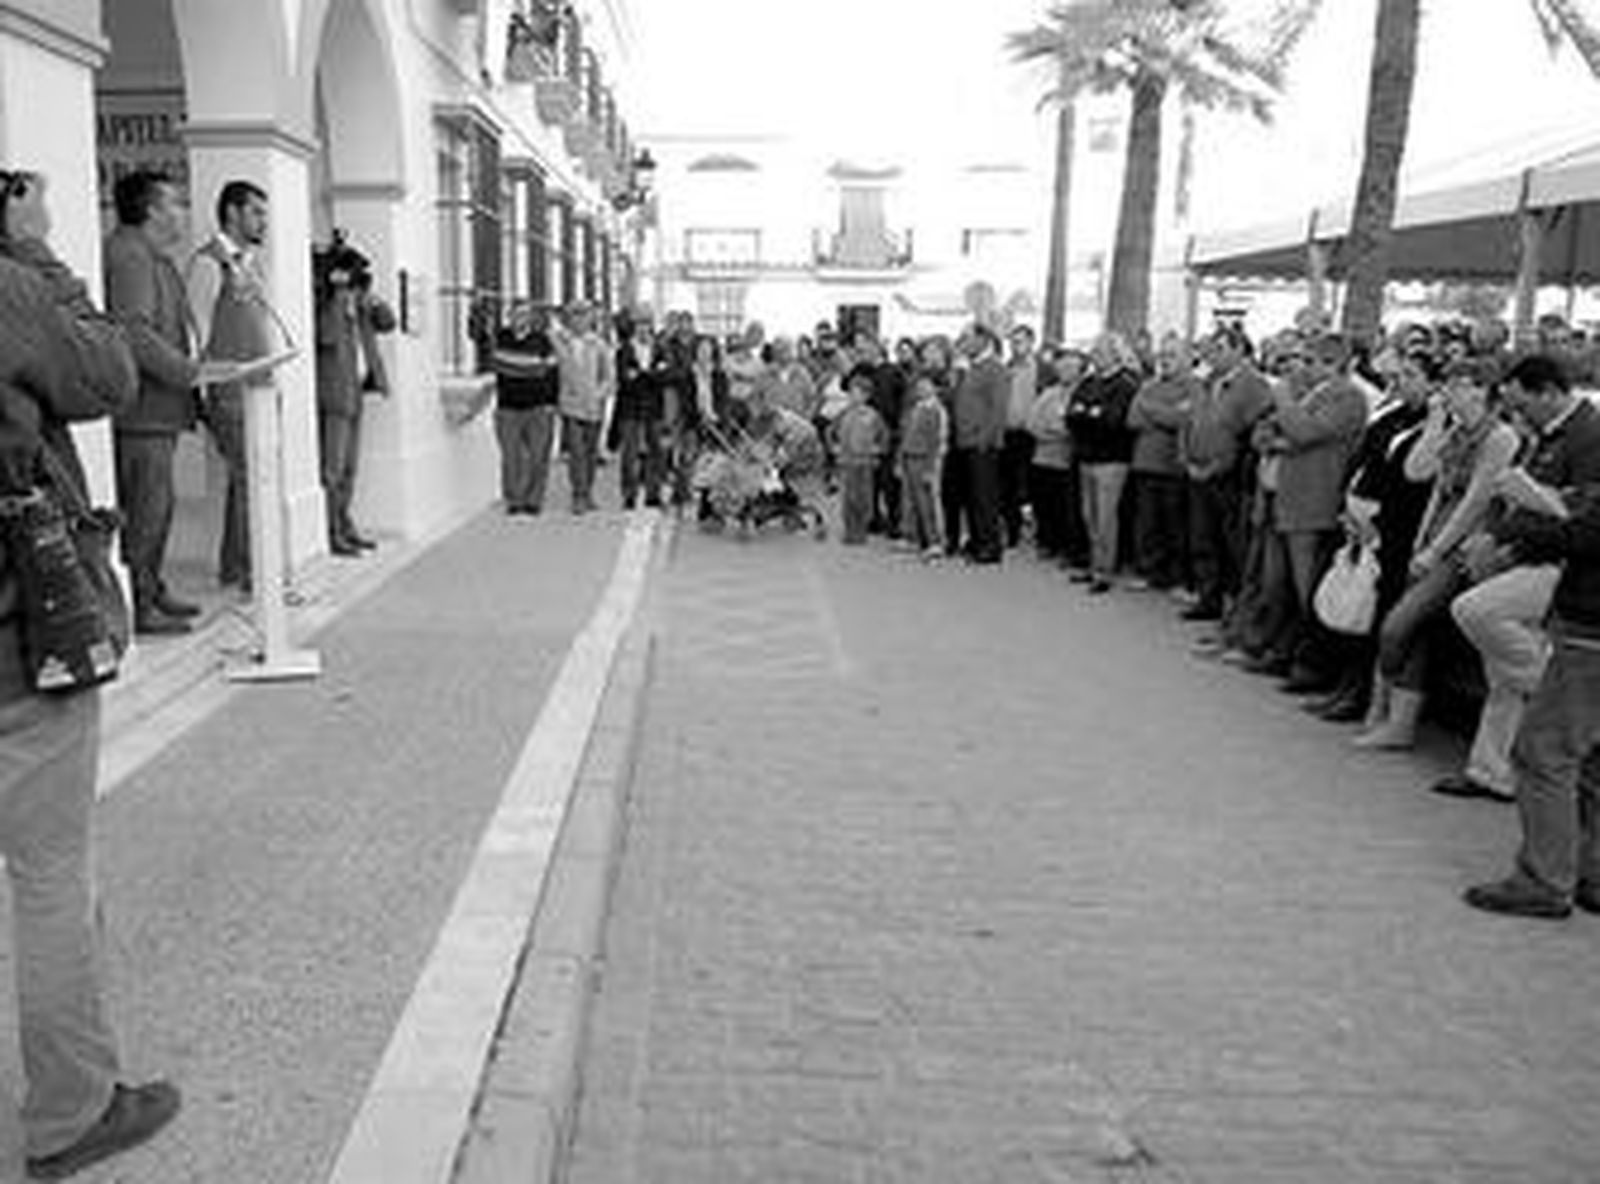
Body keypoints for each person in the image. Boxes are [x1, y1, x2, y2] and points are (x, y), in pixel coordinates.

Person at [0, 165, 182, 1180]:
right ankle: (71, 1111)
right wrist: (30, 247)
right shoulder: (11, 286)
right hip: (18, 643)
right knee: (51, 875)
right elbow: (109, 374)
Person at [1435, 354, 1600, 800]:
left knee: (1477, 613)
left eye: (1522, 404)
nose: (1518, 415)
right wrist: (1496, 536)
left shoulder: (1589, 435)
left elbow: (1578, 520)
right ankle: (1491, 770)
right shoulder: (1549, 432)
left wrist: (1510, 542)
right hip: (1534, 553)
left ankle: (1548, 688)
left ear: (1548, 393)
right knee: (1500, 668)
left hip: (1561, 567)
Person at [1357, 357, 1518, 749]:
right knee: (1414, 630)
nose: (1449, 391)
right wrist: (1435, 423)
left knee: (1399, 624)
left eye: (1460, 384)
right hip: (1430, 536)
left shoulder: (1500, 437)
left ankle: (1386, 705)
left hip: (1462, 545)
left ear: (1482, 391)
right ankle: (1394, 719)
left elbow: (1476, 502)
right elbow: (1418, 472)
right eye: (1449, 384)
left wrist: (1436, 550)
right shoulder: (1455, 432)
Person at [1461, 481, 1600, 919]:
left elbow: (1586, 536)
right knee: (1590, 757)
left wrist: (1521, 524)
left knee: (1544, 751)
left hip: (1590, 631)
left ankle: (1545, 880)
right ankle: (1588, 870)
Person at [101, 169, 204, 634]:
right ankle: (140, 602)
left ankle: (152, 586)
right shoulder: (130, 256)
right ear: (151, 210)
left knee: (157, 506)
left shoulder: (152, 256)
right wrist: (188, 371)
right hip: (141, 410)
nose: (182, 212)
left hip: (160, 409)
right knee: (146, 509)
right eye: (174, 203)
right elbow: (134, 332)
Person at [1257, 332, 1369, 691]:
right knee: (1277, 583)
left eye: (1310, 361)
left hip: (1314, 500)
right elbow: (1265, 430)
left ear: (1333, 364)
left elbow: (1304, 433)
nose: (1301, 368)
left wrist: (1284, 403)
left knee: (1307, 588)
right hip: (1285, 496)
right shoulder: (1310, 394)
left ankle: (1314, 666)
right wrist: (1278, 437)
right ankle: (1281, 651)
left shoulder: (1348, 397)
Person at [188, 179, 276, 593]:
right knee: (251, 476)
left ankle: (236, 567)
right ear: (232, 212)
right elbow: (197, 331)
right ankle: (251, 572)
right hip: (230, 391)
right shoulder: (208, 264)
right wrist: (203, 390)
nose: (263, 221)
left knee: (250, 478)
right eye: (256, 212)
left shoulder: (251, 262)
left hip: (259, 388)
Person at [1181, 326, 1274, 621]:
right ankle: (1208, 598)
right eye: (1210, 349)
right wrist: (1186, 459)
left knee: (1232, 541)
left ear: (1239, 350)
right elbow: (1188, 421)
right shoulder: (1205, 381)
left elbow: (1247, 434)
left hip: (1228, 475)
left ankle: (1236, 604)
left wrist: (1217, 465)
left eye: (1219, 349)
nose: (1212, 355)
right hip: (1197, 468)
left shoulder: (1253, 384)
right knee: (1202, 537)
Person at [312, 234, 395, 555]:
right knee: (332, 470)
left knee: (349, 469)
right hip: (334, 394)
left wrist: (370, 299)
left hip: (356, 392)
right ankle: (332, 531)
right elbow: (324, 336)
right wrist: (335, 297)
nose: (354, 287)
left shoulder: (360, 306)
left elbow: (388, 322)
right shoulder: (329, 307)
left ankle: (345, 524)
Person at [1066, 333, 1141, 593]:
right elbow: (1071, 415)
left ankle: (1104, 571)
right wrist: (1090, 414)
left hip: (1111, 460)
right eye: (1094, 351)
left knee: (1105, 518)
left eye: (1099, 352)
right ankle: (1093, 563)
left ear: (1114, 354)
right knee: (1089, 515)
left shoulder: (1125, 384)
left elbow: (1113, 421)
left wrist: (1087, 414)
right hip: (1086, 456)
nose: (1094, 356)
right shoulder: (1088, 382)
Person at [1127, 336, 1200, 591]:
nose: (1164, 360)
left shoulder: (1194, 387)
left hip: (1173, 466)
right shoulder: (1149, 385)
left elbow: (1182, 420)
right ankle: (1148, 571)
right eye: (1162, 355)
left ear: (1186, 359)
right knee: (1146, 524)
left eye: (1171, 355)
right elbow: (1132, 419)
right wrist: (1164, 413)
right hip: (1144, 463)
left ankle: (1176, 577)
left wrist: (1151, 409)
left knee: (1175, 526)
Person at [491, 301, 560, 515]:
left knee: (538, 457)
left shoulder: (543, 340)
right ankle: (514, 500)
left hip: (538, 407)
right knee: (511, 457)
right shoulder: (500, 338)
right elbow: (491, 362)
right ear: (509, 316)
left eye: (524, 314)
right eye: (516, 314)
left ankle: (534, 500)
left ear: (530, 318)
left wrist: (552, 403)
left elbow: (553, 373)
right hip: (507, 407)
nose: (520, 318)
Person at [950, 325, 1008, 565]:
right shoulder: (969, 368)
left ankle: (989, 545)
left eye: (967, 338)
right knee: (971, 495)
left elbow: (998, 408)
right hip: (965, 441)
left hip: (982, 442)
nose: (963, 343)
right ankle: (976, 541)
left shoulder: (994, 368)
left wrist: (986, 438)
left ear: (983, 340)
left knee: (984, 496)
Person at [550, 303, 612, 514]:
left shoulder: (599, 345)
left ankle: (588, 492)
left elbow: (608, 377)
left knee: (590, 453)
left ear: (590, 319)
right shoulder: (561, 342)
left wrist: (598, 393)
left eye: (584, 316)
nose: (579, 320)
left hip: (593, 408)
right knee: (576, 452)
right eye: (575, 316)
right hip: (570, 406)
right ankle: (578, 494)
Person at [1026, 349, 1085, 565]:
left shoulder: (1082, 393)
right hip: (1042, 458)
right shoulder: (1048, 393)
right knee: (1043, 505)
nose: (1064, 371)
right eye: (1061, 367)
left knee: (1065, 508)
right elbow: (1032, 423)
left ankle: (1066, 547)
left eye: (1069, 367)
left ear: (1079, 370)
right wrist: (1054, 432)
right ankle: (1046, 543)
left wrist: (1055, 431)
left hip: (1066, 461)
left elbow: (1075, 428)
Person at [612, 316, 665, 509]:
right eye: (640, 326)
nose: (643, 330)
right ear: (634, 328)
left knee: (655, 452)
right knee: (629, 453)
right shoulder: (624, 350)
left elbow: (665, 376)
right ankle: (629, 494)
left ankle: (653, 493)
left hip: (654, 407)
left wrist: (642, 375)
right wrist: (650, 375)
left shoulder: (660, 349)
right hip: (630, 407)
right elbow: (624, 379)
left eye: (647, 326)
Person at [832, 367, 888, 545]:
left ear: (866, 396)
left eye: (857, 393)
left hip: (865, 462)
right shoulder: (843, 414)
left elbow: (883, 435)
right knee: (848, 498)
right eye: (851, 393)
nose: (853, 397)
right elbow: (830, 431)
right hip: (847, 462)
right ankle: (850, 530)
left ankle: (861, 529)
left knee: (864, 497)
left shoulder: (872, 415)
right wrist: (834, 447)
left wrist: (877, 450)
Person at [899, 373, 948, 560]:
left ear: (935, 388)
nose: (922, 389)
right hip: (909, 456)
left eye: (926, 385)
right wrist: (900, 459)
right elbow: (906, 434)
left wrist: (930, 467)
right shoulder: (914, 408)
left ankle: (934, 541)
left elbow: (935, 441)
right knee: (911, 500)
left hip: (923, 459)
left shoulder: (936, 410)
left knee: (926, 501)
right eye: (919, 386)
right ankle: (916, 537)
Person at [1000, 324, 1039, 549]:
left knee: (1027, 484)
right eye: (1012, 342)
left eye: (1020, 342)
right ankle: (1012, 531)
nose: (1015, 347)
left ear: (1031, 343)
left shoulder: (1040, 369)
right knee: (1008, 484)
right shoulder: (1007, 368)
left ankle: (1032, 528)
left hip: (1030, 434)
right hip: (1007, 432)